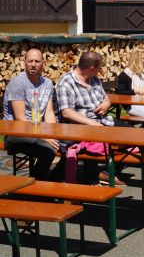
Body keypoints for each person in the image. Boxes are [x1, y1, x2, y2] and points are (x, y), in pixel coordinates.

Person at [55, 51, 123, 185]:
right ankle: (93, 179)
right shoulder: (66, 82)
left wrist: (106, 104)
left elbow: (105, 98)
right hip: (76, 127)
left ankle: (106, 172)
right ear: (91, 68)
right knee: (96, 139)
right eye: (99, 68)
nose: (100, 71)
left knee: (132, 136)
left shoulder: (94, 79)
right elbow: (67, 112)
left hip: (101, 120)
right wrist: (91, 123)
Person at [3, 47, 60, 180]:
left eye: (37, 61)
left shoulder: (48, 83)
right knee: (48, 151)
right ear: (24, 62)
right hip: (16, 134)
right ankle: (35, 184)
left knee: (66, 144)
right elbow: (20, 119)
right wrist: (44, 137)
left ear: (43, 63)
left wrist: (53, 134)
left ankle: (57, 179)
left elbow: (49, 113)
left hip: (38, 131)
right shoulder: (17, 83)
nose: (33, 64)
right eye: (30, 61)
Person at [116, 48, 144, 118]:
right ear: (136, 59)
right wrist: (135, 91)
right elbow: (120, 93)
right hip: (132, 105)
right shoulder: (125, 74)